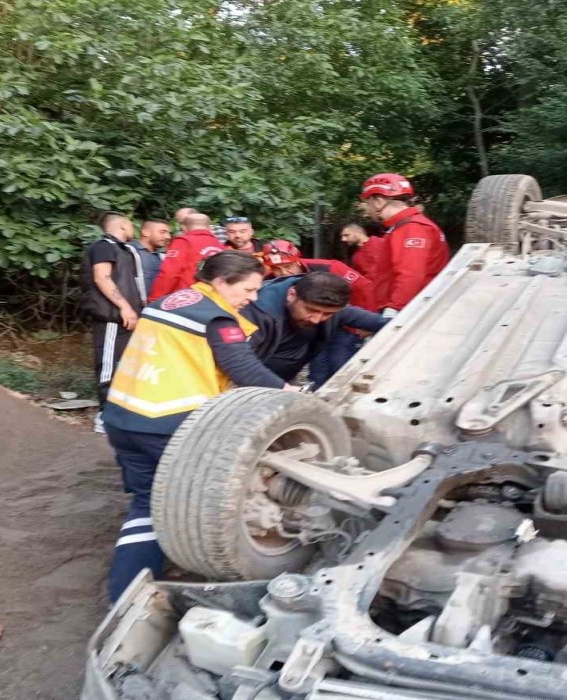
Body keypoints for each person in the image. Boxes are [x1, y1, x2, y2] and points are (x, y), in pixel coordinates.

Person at [101, 251, 298, 600]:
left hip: (122, 415)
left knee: (148, 501)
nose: (253, 298)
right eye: (248, 289)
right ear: (220, 282)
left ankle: (125, 590)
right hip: (166, 423)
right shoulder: (216, 318)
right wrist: (292, 395)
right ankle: (194, 584)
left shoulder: (171, 302)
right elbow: (245, 370)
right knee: (198, 502)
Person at [243, 270, 387, 386]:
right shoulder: (258, 313)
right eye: (310, 310)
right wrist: (283, 388)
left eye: (327, 314)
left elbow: (375, 321)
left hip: (284, 377)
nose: (316, 319)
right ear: (292, 295)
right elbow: (241, 363)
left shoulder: (323, 302)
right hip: (252, 384)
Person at [80, 212, 145, 433]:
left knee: (125, 364)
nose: (134, 229)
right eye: (132, 225)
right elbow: (102, 277)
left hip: (127, 317)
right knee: (108, 365)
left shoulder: (124, 250)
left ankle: (122, 412)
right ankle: (105, 415)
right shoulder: (103, 246)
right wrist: (124, 307)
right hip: (111, 316)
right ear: (124, 225)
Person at [357, 173, 449, 318]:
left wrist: (394, 310)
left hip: (410, 312)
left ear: (378, 201)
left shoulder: (411, 228)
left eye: (368, 203)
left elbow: (411, 274)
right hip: (411, 309)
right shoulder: (403, 227)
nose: (368, 210)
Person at [148, 212, 225, 300]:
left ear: (184, 228)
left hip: (186, 298)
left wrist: (155, 298)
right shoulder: (221, 246)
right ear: (209, 227)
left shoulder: (183, 242)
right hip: (215, 299)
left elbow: (169, 273)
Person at [130, 219, 170, 293]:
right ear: (146, 232)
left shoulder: (162, 256)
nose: (168, 237)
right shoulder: (128, 251)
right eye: (162, 232)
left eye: (168, 233)